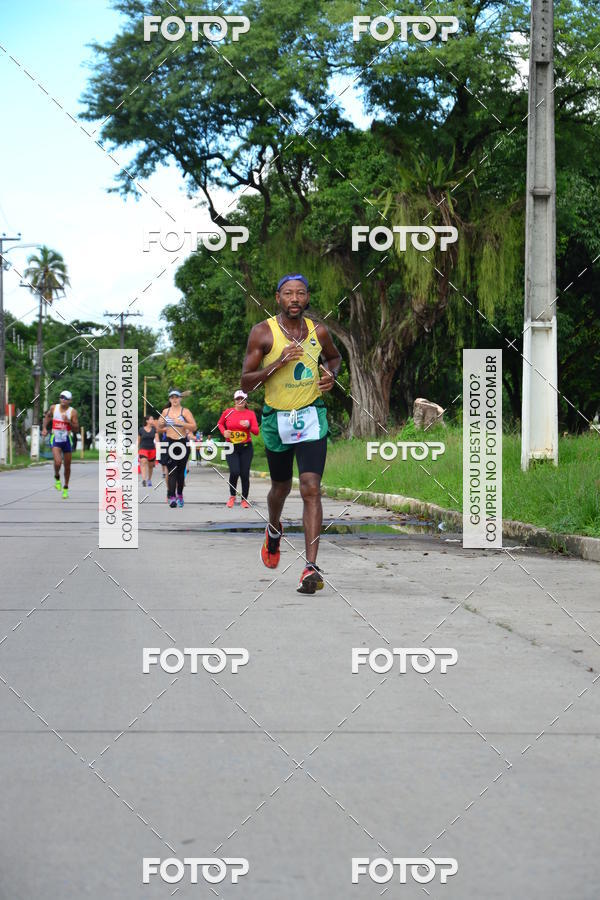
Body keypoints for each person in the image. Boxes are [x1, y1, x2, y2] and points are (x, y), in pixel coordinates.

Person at [241, 273, 341, 593]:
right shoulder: (263, 333)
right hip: (276, 420)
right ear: (278, 298)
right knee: (280, 488)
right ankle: (274, 528)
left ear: (307, 298)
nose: (294, 299)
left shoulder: (318, 331)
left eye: (300, 293)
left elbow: (335, 358)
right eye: (288, 294)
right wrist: (279, 363)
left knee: (311, 487)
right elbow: (246, 383)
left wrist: (331, 375)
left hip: (312, 416)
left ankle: (310, 567)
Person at [217, 390, 259, 508]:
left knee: (244, 474)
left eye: (242, 399)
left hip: (246, 448)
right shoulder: (228, 412)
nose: (240, 401)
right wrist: (224, 432)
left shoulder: (250, 414)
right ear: (234, 401)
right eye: (237, 399)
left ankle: (244, 499)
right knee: (235, 471)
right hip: (231, 447)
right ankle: (232, 496)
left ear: (245, 401)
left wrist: (249, 426)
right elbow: (220, 424)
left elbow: (256, 431)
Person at [155, 389, 196, 508]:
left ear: (180, 399)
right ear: (169, 399)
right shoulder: (165, 411)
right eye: (172, 397)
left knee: (180, 472)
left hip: (182, 442)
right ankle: (172, 497)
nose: (174, 399)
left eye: (176, 397)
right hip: (169, 442)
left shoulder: (185, 412)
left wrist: (182, 423)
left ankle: (180, 495)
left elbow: (194, 426)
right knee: (171, 470)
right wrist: (161, 424)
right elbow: (158, 429)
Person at [42, 390, 79, 499]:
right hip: (56, 438)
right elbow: (48, 416)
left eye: (66, 398)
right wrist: (44, 428)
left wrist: (68, 422)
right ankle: (57, 477)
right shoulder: (54, 408)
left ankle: (66, 488)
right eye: (62, 397)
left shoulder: (73, 412)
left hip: (67, 439)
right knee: (58, 462)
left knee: (67, 467)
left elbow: (76, 429)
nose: (63, 399)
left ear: (70, 401)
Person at [138, 415, 157, 486]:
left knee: (150, 466)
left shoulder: (154, 429)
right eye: (151, 419)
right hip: (143, 449)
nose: (153, 420)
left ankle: (149, 479)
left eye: (153, 419)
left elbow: (157, 439)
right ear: (147, 421)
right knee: (143, 461)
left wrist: (158, 448)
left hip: (152, 449)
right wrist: (136, 450)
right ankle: (143, 479)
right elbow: (138, 440)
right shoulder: (141, 429)